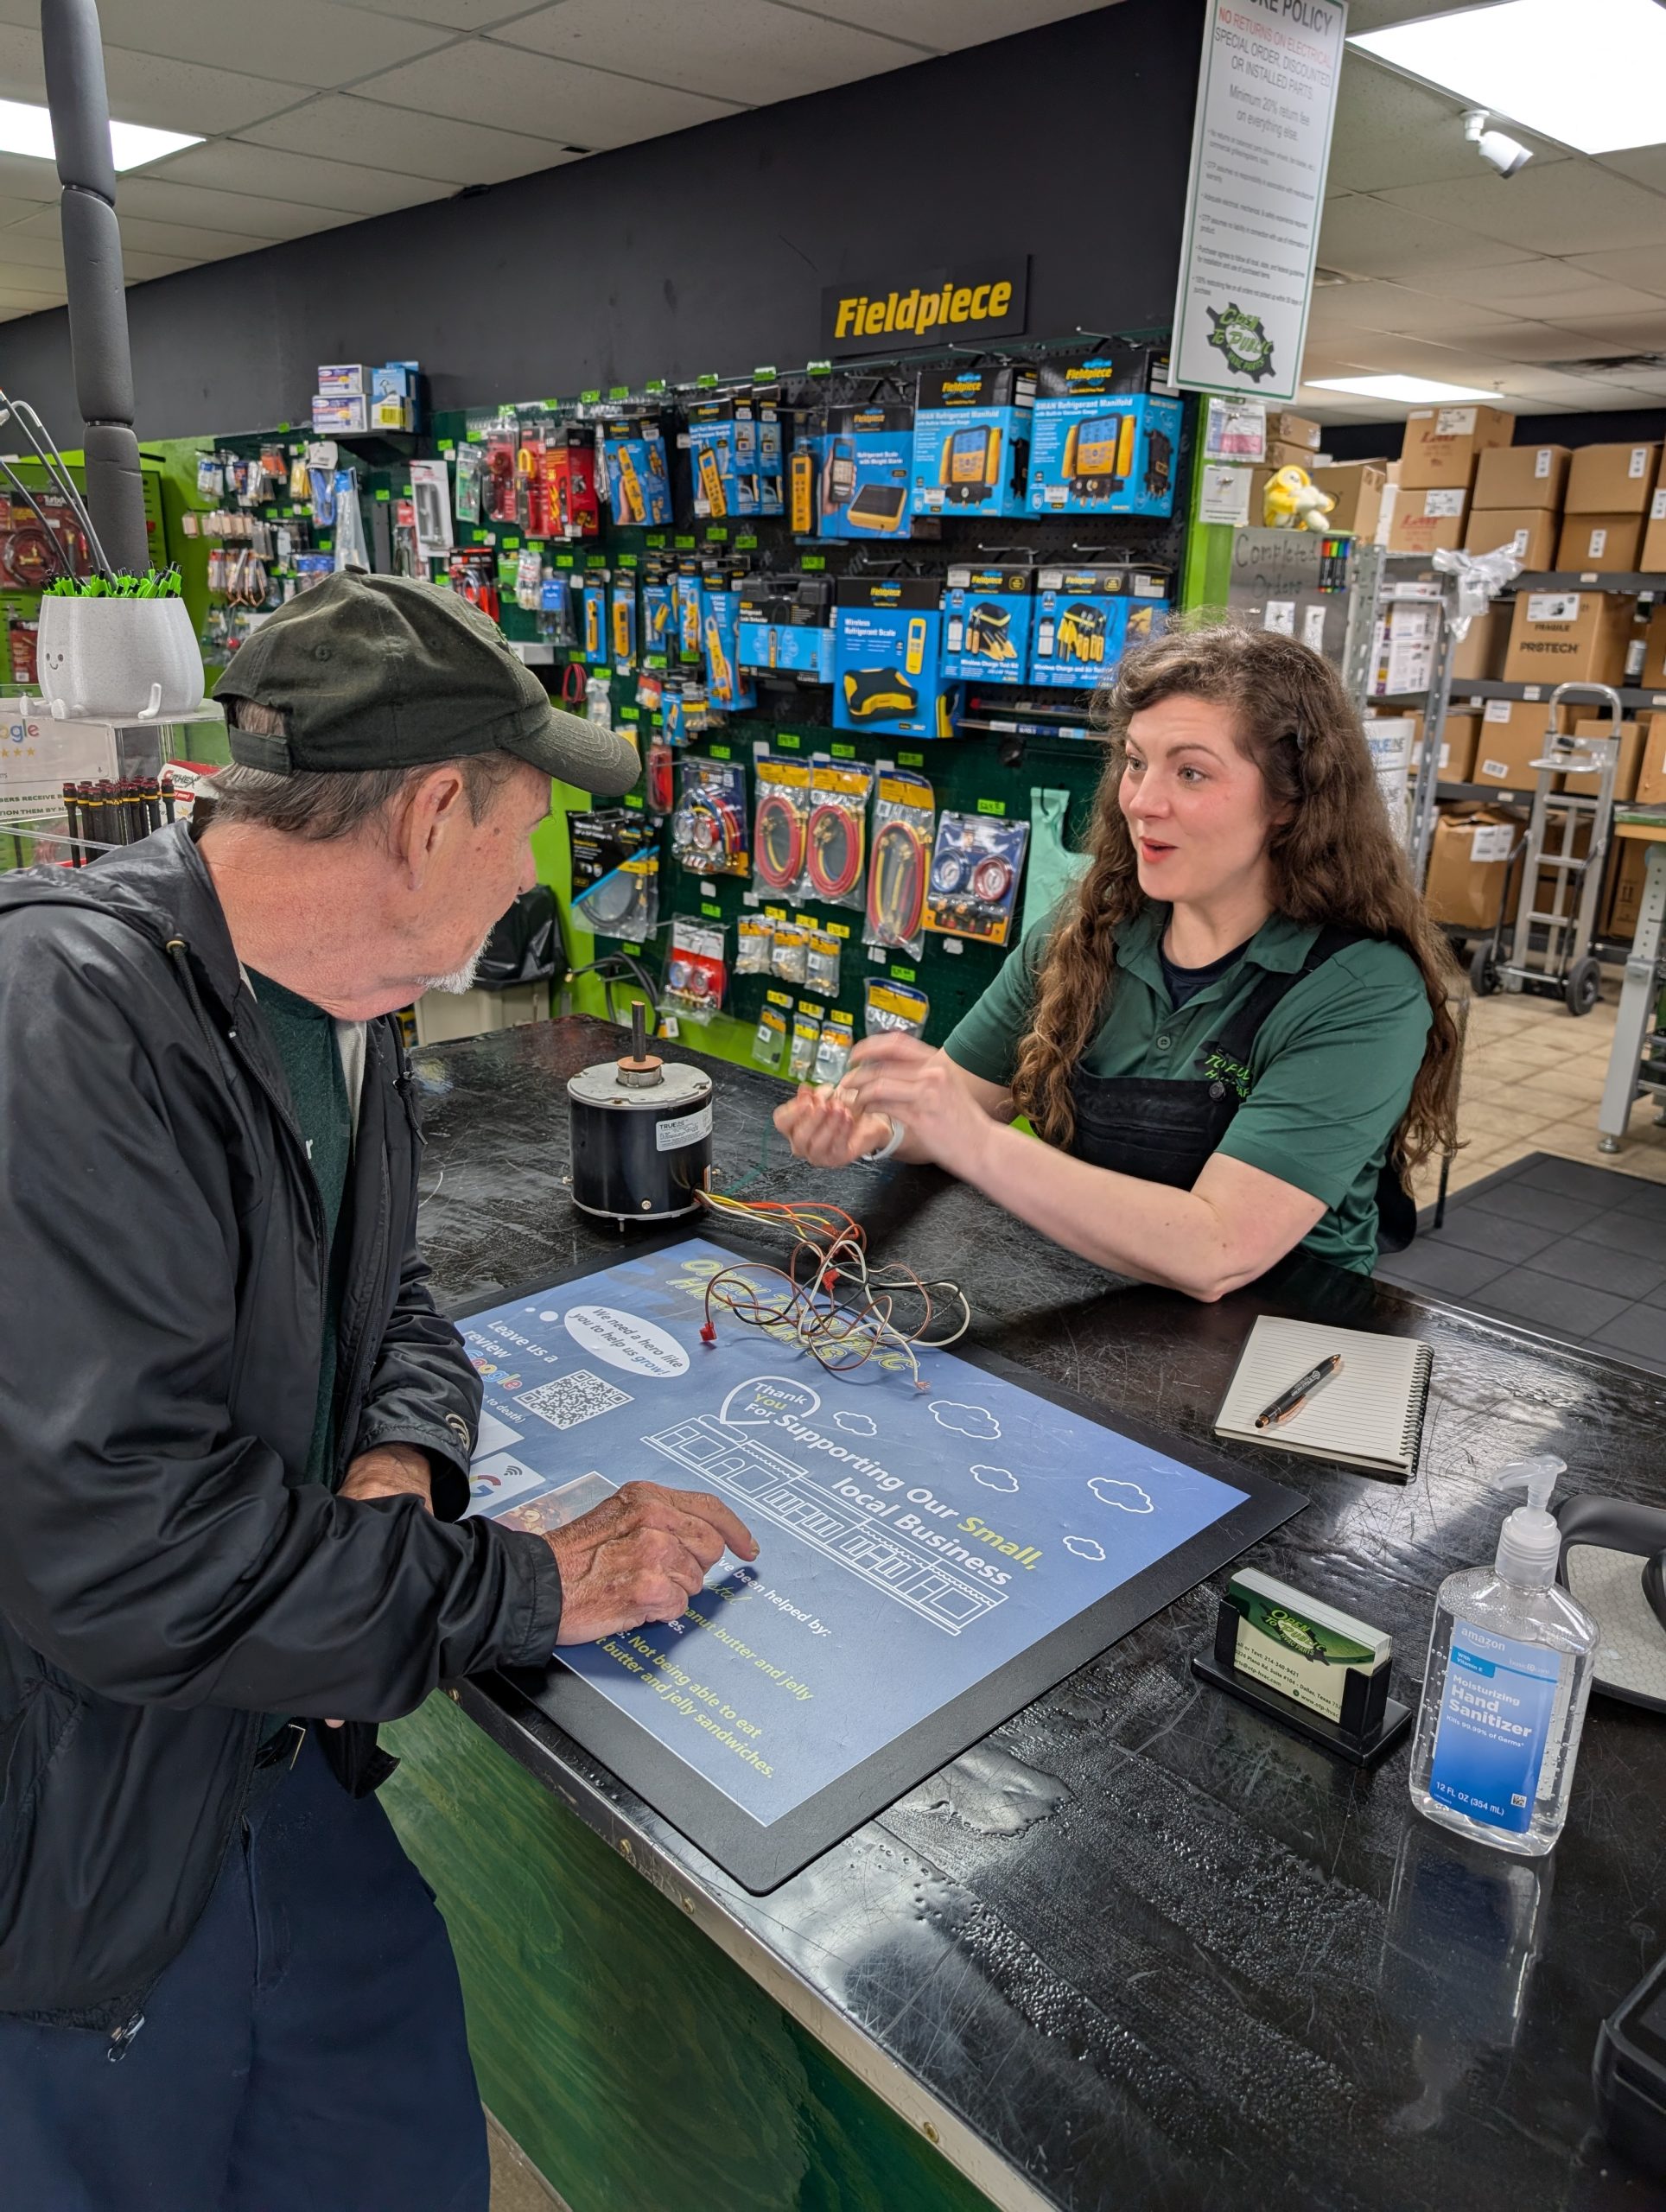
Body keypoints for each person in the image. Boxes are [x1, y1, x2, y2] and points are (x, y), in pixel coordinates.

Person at [0, 574, 756, 2212]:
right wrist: (526, 1587)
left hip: (286, 1766)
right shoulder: (62, 1025)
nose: (532, 874)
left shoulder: (343, 1004)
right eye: (524, 828)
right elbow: (128, 1563)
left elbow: (386, 1291)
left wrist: (401, 1464)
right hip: (83, 1852)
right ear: (428, 816)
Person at [777, 625, 1459, 1299]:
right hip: (1088, 1309)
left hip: (1275, 1338)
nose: (1142, 802)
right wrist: (879, 1128)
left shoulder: (1364, 989)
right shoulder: (1085, 937)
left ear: (1290, 800)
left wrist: (975, 1143)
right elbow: (953, 1110)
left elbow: (1218, 1250)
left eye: (1190, 772)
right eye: (1136, 762)